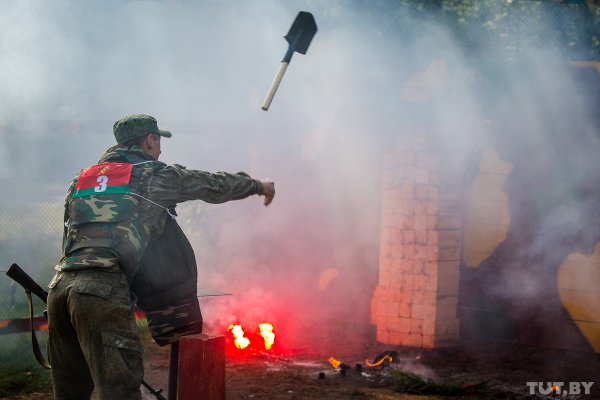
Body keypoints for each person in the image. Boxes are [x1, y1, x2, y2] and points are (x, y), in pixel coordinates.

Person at [46, 114, 274, 400]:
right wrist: (258, 185)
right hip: (102, 293)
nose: (161, 150)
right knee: (119, 393)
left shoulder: (81, 178)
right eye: (159, 142)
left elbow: (69, 239)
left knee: (69, 394)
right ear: (149, 140)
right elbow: (214, 185)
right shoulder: (153, 175)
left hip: (60, 290)